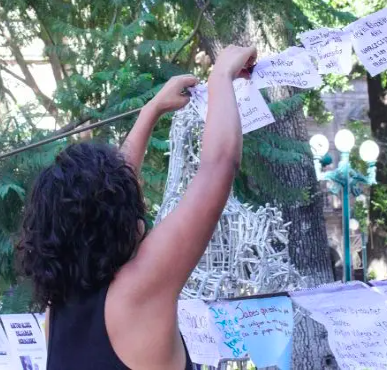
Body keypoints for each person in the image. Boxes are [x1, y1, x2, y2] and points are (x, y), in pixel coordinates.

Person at [18, 45, 257, 370]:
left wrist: (152, 110)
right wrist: (221, 77)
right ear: (112, 220)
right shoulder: (136, 292)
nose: (139, 201)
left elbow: (107, 190)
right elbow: (218, 166)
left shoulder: (59, 307)